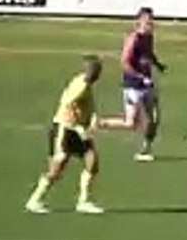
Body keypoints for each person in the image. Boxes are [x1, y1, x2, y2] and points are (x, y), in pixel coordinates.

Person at [25, 56, 133, 215]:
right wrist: (77, 127)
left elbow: (86, 104)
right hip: (65, 129)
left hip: (78, 129)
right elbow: (68, 104)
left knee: (92, 161)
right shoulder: (81, 85)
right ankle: (35, 199)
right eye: (96, 70)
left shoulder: (86, 84)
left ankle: (84, 201)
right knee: (57, 168)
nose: (98, 73)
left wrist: (93, 117)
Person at [121, 7, 167, 162]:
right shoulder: (133, 39)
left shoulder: (149, 37)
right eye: (147, 21)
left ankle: (145, 149)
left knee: (154, 117)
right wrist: (140, 77)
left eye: (151, 20)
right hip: (133, 85)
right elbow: (125, 63)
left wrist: (158, 64)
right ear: (139, 22)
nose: (150, 24)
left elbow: (149, 54)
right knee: (131, 123)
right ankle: (100, 123)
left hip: (147, 85)